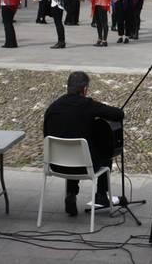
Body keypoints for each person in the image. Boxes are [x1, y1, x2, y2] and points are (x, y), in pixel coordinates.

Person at [43, 71, 125, 215]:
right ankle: (101, 195)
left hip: (56, 165)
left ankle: (71, 193)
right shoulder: (87, 105)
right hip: (85, 166)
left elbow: (46, 135)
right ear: (85, 89)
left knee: (69, 149)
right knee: (105, 151)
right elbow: (118, 114)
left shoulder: (53, 107)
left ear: (68, 87)